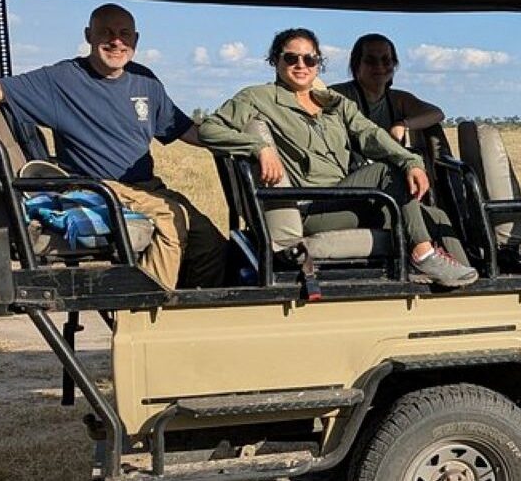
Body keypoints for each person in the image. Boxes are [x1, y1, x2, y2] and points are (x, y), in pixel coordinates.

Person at [0, 3, 225, 290]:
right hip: (100, 187)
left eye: (124, 34)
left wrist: (237, 142)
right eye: (106, 33)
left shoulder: (145, 81)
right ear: (89, 36)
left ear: (135, 40)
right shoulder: (63, 79)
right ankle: (144, 315)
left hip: (148, 187)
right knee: (169, 221)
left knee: (210, 242)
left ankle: (194, 312)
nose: (116, 41)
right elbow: (0, 86)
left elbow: (185, 129)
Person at [197, 28, 478, 288]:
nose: (301, 65)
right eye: (291, 58)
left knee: (435, 215)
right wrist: (257, 147)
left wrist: (411, 161)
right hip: (315, 207)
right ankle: (423, 255)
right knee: (387, 172)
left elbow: (370, 135)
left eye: (310, 59)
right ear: (275, 61)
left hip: (347, 196)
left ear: (319, 63)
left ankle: (473, 294)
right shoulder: (258, 97)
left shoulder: (332, 102)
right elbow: (210, 129)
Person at [329, 34, 445, 148]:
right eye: (371, 61)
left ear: (394, 64)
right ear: (356, 64)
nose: (379, 66)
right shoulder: (338, 95)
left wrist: (403, 125)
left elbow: (436, 113)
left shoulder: (398, 99)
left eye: (386, 60)